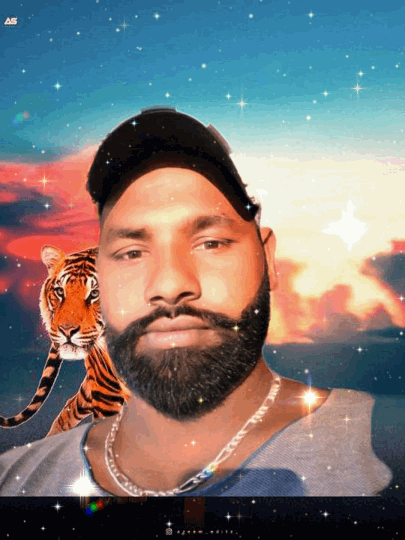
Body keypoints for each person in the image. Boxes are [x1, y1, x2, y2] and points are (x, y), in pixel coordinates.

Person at [0, 106, 403, 497]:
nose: (170, 284)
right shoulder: (16, 481)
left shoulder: (380, 452)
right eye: (132, 252)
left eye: (210, 242)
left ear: (268, 260)